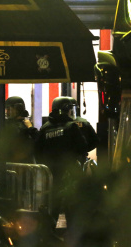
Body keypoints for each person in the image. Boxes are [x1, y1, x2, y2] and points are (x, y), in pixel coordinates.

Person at [35, 97, 89, 226]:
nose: (71, 112)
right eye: (70, 109)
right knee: (71, 203)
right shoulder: (71, 127)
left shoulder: (45, 128)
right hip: (68, 172)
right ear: (64, 110)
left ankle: (51, 231)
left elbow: (37, 150)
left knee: (52, 202)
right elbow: (83, 146)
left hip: (50, 173)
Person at [2, 96, 38, 164]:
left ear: (18, 109)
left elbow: (38, 141)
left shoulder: (26, 126)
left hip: (23, 165)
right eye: (6, 109)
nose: (7, 112)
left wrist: (31, 128)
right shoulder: (6, 124)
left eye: (9, 109)